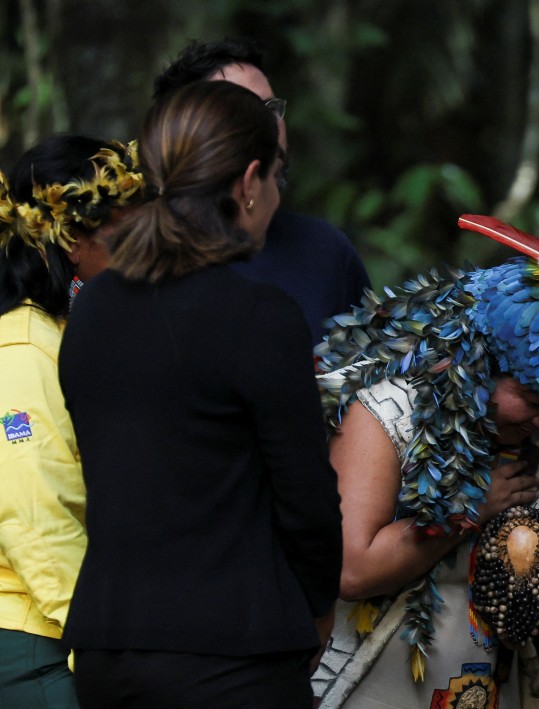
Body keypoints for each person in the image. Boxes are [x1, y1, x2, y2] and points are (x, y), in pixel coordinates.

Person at [57, 80, 342, 708]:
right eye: (274, 177)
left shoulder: (94, 308)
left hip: (108, 650)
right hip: (229, 654)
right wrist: (316, 608)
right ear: (248, 182)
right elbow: (306, 500)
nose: (273, 196)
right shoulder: (257, 316)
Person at [311, 218, 539, 708]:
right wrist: (470, 511)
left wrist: (530, 573)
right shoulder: (387, 414)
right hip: (375, 680)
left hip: (495, 684)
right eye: (530, 399)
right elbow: (350, 571)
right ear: (477, 365)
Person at [0, 135, 143, 709]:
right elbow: (34, 517)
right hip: (38, 641)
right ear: (72, 239)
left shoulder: (60, 336)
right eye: (122, 234)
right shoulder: (25, 351)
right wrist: (100, 645)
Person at [153, 36, 371, 347]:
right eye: (246, 111)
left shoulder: (325, 251)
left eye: (272, 108)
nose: (269, 126)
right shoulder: (142, 259)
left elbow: (375, 376)